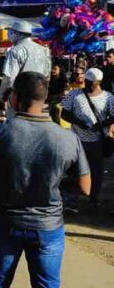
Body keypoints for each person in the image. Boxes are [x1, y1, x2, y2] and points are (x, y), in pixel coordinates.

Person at [0, 72, 91, 288]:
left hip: (5, 224)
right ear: (46, 100)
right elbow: (85, 187)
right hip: (48, 227)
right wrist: (56, 184)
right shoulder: (67, 138)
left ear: (14, 98)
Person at [61, 68, 114, 206]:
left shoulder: (108, 97)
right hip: (77, 141)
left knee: (96, 171)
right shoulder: (74, 94)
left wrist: (100, 125)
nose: (89, 85)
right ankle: (72, 200)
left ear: (99, 82)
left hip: (97, 142)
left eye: (93, 83)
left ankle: (93, 196)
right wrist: (79, 122)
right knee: (74, 170)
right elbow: (64, 114)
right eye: (88, 82)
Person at [0, 20, 52, 101]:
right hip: (39, 95)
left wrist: (2, 95)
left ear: (18, 34)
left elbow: (9, 78)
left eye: (11, 33)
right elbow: (47, 76)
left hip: (20, 96)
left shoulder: (15, 50)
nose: (9, 36)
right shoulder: (44, 50)